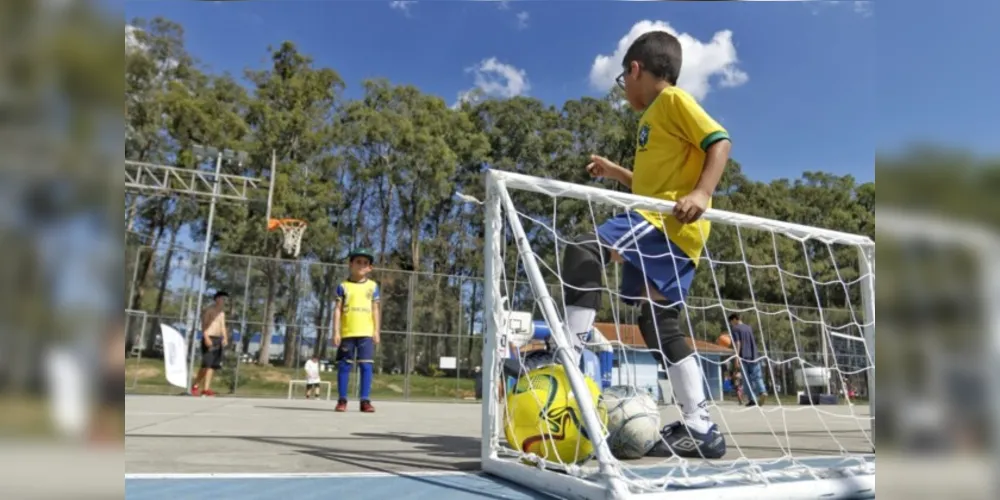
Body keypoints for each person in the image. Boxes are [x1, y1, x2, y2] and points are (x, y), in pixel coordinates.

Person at [558, 31, 730, 459]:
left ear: (634, 69)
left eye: (623, 80)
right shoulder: (650, 122)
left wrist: (703, 194)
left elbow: (719, 141)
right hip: (664, 221)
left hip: (665, 224)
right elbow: (652, 186)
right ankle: (700, 426)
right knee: (657, 324)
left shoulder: (671, 102)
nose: (624, 89)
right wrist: (618, 173)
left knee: (582, 249)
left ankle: (567, 366)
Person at [332, 248, 381, 413]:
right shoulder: (343, 286)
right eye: (358, 261)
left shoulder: (372, 286)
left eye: (365, 263)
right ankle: (342, 400)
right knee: (344, 366)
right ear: (350, 264)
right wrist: (336, 331)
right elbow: (338, 309)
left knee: (366, 366)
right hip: (347, 333)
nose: (361, 265)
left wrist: (376, 331)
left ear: (370, 268)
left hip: (366, 333)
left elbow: (375, 309)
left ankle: (365, 401)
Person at [192, 291, 229, 397]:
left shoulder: (222, 313)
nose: (224, 301)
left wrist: (225, 337)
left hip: (218, 339)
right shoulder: (209, 310)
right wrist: (206, 337)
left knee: (212, 366)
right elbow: (204, 325)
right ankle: (196, 384)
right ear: (217, 299)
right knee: (206, 365)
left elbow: (222, 326)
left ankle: (206, 389)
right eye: (223, 298)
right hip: (209, 338)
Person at [729, 313, 767, 406]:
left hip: (743, 356)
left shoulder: (735, 329)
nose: (731, 324)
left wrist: (736, 358)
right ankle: (762, 392)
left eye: (731, 322)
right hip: (754, 356)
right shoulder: (748, 328)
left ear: (734, 319)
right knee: (757, 377)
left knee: (747, 380)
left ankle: (752, 399)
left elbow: (738, 343)